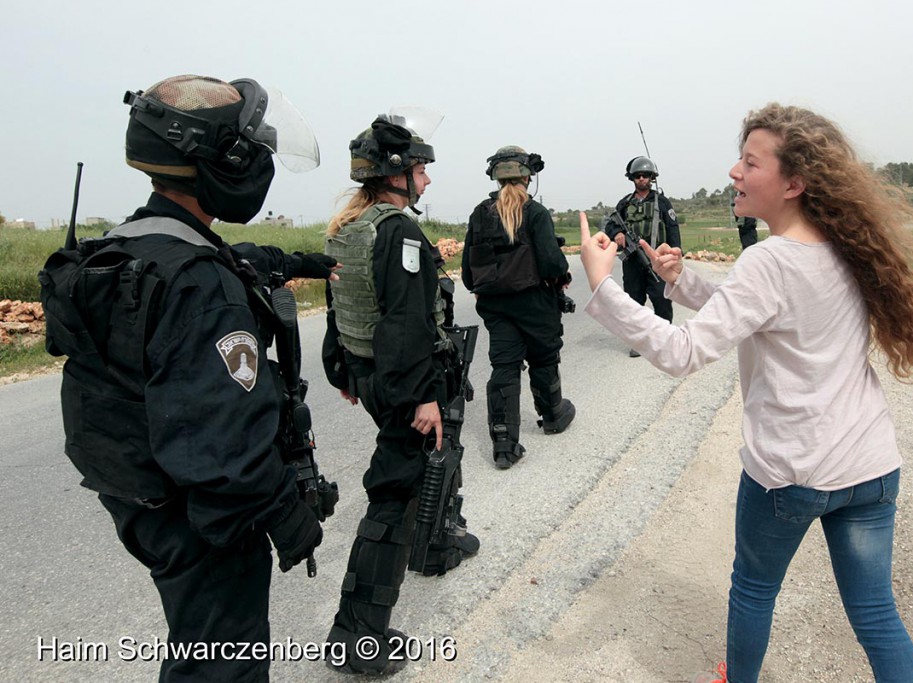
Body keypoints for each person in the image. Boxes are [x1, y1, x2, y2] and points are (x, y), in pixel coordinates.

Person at [578, 103, 913, 683]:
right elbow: (769, 311)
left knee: (752, 590)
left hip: (792, 475)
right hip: (871, 470)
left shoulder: (767, 260)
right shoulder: (846, 246)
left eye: (749, 162)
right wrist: (679, 278)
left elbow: (682, 352)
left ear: (794, 183)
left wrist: (602, 284)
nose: (733, 173)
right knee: (875, 613)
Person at [41, 74, 336, 682]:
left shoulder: (127, 247)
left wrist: (305, 262)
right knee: (222, 664)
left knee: (195, 641)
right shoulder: (202, 286)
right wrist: (288, 516)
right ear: (222, 159)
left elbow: (240, 256)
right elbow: (225, 451)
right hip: (200, 516)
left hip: (137, 492)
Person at [321, 111, 480, 674]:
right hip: (403, 382)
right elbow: (406, 321)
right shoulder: (398, 231)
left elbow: (341, 305)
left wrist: (342, 369)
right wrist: (422, 397)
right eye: (421, 170)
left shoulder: (349, 227)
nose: (427, 181)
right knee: (394, 492)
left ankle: (435, 546)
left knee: (428, 467)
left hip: (373, 376)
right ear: (396, 175)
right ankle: (358, 634)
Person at [461, 146, 576, 469]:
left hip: (497, 308)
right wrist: (561, 277)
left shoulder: (480, 213)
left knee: (504, 368)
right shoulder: (535, 213)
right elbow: (552, 262)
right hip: (536, 304)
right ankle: (552, 415)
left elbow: (469, 273)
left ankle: (503, 443)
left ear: (495, 177)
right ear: (527, 177)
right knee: (544, 358)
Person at [601, 155, 681, 356]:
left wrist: (675, 256)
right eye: (637, 176)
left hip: (656, 261)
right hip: (632, 262)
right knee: (633, 303)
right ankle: (638, 342)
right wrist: (617, 234)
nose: (641, 179)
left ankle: (665, 340)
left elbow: (672, 229)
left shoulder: (662, 202)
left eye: (645, 176)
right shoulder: (624, 204)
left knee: (661, 300)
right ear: (632, 179)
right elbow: (610, 224)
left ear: (652, 177)